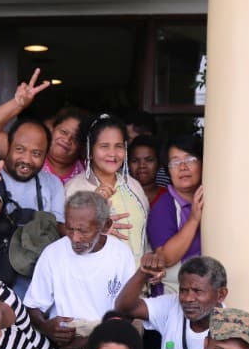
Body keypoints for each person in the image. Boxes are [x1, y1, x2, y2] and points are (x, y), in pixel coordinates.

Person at [117, 255, 249, 349]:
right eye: (183, 290)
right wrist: (143, 273)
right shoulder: (172, 306)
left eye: (197, 291)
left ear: (221, 295)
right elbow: (125, 308)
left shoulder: (236, 329)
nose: (188, 298)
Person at [25, 191, 136, 349]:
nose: (75, 238)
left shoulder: (121, 254)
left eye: (83, 231)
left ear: (105, 226)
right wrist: (45, 326)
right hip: (64, 340)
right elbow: (33, 306)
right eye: (70, 229)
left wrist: (91, 341)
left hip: (107, 337)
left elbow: (128, 312)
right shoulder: (53, 253)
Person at [0, 117, 66, 296]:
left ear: (45, 155)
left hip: (35, 278)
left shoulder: (52, 183)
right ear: (8, 146)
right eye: (20, 150)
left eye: (36, 153)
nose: (26, 159)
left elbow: (59, 229)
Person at [66, 114, 150, 266]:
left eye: (118, 146)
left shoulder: (134, 186)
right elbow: (66, 241)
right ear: (90, 150)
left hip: (136, 277)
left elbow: (145, 236)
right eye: (104, 146)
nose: (113, 153)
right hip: (94, 276)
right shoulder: (74, 188)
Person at [146, 135, 205, 295]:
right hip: (175, 295)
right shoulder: (164, 205)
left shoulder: (215, 198)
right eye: (175, 162)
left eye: (190, 159)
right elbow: (166, 258)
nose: (183, 167)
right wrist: (194, 219)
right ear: (168, 170)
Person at [128, 135, 166, 207]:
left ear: (159, 164)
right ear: (128, 164)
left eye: (149, 160)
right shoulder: (120, 196)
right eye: (135, 160)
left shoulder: (170, 198)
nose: (142, 166)